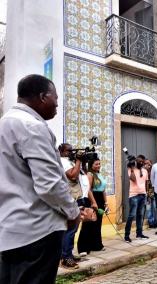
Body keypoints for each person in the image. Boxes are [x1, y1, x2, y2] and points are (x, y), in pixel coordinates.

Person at [0, 74, 80, 284]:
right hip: (37, 233)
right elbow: (49, 185)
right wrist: (72, 212)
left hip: (9, 233)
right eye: (55, 98)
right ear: (43, 96)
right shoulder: (32, 127)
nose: (57, 104)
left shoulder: (5, 124)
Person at [58, 143, 98, 266]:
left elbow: (82, 177)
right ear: (62, 151)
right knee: (70, 229)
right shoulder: (63, 161)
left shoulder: (71, 162)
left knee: (73, 229)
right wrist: (78, 160)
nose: (71, 152)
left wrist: (82, 161)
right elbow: (73, 176)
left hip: (78, 198)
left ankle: (68, 253)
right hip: (71, 199)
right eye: (68, 150)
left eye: (72, 150)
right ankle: (65, 257)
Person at [78, 158, 108, 254]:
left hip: (100, 199)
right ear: (91, 165)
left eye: (99, 164)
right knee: (88, 223)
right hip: (92, 199)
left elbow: (103, 190)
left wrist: (106, 202)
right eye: (96, 164)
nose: (98, 165)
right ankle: (83, 248)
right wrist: (94, 203)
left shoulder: (99, 174)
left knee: (97, 224)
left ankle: (96, 245)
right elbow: (89, 190)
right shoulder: (90, 175)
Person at [124, 155, 149, 242]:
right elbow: (133, 179)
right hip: (134, 195)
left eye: (142, 161)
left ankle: (139, 234)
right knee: (132, 215)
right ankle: (127, 235)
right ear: (136, 161)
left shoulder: (145, 171)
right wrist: (131, 168)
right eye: (139, 161)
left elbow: (146, 183)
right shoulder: (131, 169)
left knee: (140, 215)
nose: (141, 163)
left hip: (143, 195)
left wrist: (146, 193)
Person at [144, 159, 157, 228]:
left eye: (148, 163)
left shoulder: (154, 171)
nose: (147, 165)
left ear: (151, 164)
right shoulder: (143, 172)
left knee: (155, 207)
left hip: (155, 192)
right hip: (147, 193)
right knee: (148, 208)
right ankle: (151, 223)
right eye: (145, 163)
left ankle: (156, 222)